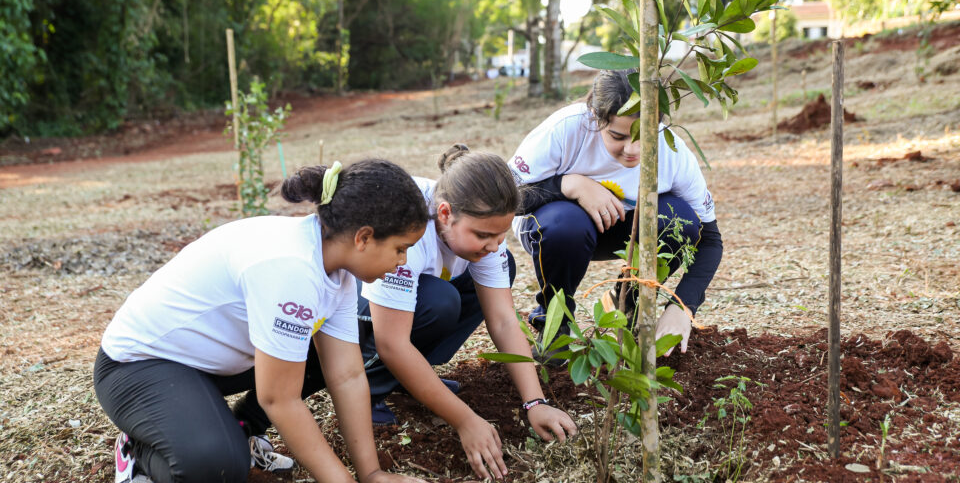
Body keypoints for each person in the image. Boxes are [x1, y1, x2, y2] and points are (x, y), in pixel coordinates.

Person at [94, 159, 430, 483]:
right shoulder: (291, 267)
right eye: (401, 248)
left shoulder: (334, 270)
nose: (403, 262)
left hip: (205, 364)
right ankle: (141, 446)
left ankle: (240, 428)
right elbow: (279, 398)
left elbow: (348, 375)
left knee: (322, 352)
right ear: (363, 238)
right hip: (138, 367)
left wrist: (371, 474)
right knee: (217, 468)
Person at [357, 145, 577, 481]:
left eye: (500, 235)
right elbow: (392, 342)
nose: (493, 244)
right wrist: (465, 420)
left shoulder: (480, 223)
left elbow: (503, 319)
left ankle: (410, 379)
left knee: (498, 271)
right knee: (439, 301)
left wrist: (535, 402)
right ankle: (370, 389)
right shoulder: (406, 230)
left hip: (411, 303)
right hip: (355, 309)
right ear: (444, 214)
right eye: (483, 235)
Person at [509, 69, 724, 356]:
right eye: (618, 136)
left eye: (644, 135)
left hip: (621, 228)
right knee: (566, 225)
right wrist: (568, 184)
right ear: (596, 118)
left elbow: (709, 240)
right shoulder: (566, 129)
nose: (632, 149)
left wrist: (682, 307)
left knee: (681, 220)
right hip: (553, 228)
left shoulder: (673, 152)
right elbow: (504, 198)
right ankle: (555, 325)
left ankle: (626, 300)